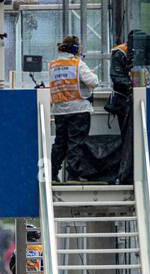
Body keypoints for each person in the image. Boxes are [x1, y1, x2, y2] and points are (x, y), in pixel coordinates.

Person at [48, 35, 98, 182]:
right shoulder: (78, 64)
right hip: (78, 109)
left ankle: (52, 173)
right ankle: (73, 175)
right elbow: (93, 82)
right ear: (75, 48)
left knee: (60, 143)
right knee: (76, 143)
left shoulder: (53, 65)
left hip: (59, 110)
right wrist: (93, 74)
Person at [108, 35, 134, 184]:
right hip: (123, 101)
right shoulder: (120, 53)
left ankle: (129, 173)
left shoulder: (144, 53)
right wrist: (132, 85)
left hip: (133, 99)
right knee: (127, 138)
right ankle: (125, 175)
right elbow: (116, 77)